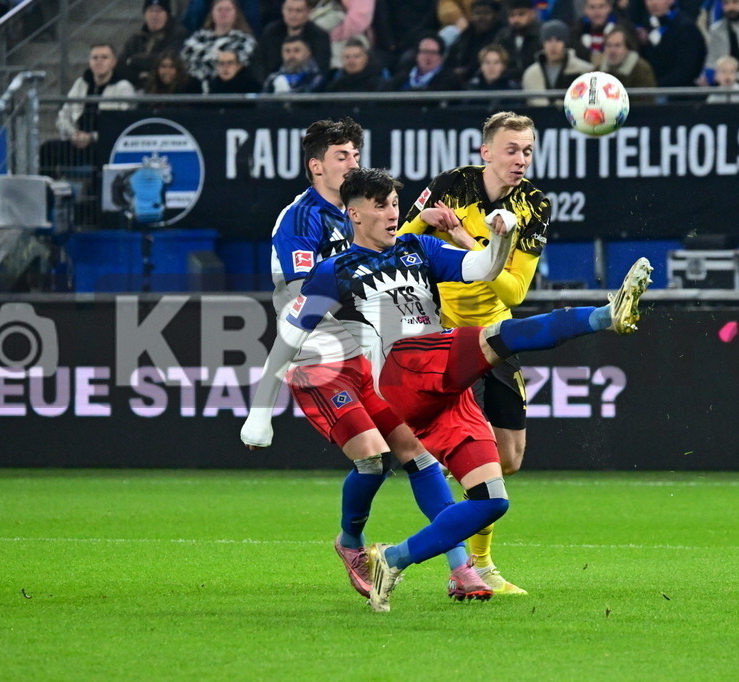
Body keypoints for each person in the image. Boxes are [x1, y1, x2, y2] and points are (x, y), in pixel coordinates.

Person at [277, 166, 653, 612]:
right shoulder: (333, 270)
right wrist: (264, 407)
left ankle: (391, 560)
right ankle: (604, 316)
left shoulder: (420, 247)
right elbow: (292, 329)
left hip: (441, 392)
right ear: (355, 215)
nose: (394, 213)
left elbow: (483, 267)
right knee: (500, 335)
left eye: (396, 204)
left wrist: (501, 236)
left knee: (491, 502)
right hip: (403, 368)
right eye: (382, 206)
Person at [240, 118, 490, 603]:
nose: (352, 162)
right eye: (341, 156)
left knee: (417, 455)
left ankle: (461, 568)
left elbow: (390, 253)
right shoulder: (300, 220)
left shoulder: (364, 214)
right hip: (320, 356)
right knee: (373, 460)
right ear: (316, 166)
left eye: (356, 154)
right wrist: (261, 406)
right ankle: (350, 543)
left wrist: (431, 235)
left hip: (370, 356)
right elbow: (304, 299)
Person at [395, 112, 548, 596]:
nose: (520, 159)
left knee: (510, 457)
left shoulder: (535, 207)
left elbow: (516, 290)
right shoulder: (450, 185)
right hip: (441, 334)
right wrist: (426, 219)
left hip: (496, 335)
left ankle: (452, 483)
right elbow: (395, 244)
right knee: (457, 452)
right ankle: (476, 566)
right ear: (486, 153)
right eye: (511, 149)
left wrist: (469, 243)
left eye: (526, 150)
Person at [39, 44, 136, 176]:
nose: (99, 62)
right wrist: (73, 134)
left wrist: (91, 137)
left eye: (104, 57)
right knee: (48, 148)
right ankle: (49, 192)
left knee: (101, 156)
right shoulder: (81, 83)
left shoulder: (123, 87)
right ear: (89, 62)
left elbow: (120, 125)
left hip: (103, 143)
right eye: (95, 58)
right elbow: (63, 116)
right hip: (77, 140)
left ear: (113, 62)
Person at [181, 0, 259, 86]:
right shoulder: (195, 40)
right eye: (219, 9)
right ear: (212, 13)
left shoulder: (245, 42)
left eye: (228, 10)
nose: (223, 13)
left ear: (236, 14)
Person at [637, 0, 708, 86]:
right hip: (651, 90)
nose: (653, 3)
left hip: (677, 93)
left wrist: (656, 86)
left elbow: (687, 70)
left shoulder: (686, 28)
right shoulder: (645, 26)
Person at [121, 0, 189, 89]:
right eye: (151, 11)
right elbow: (120, 64)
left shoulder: (178, 34)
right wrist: (138, 75)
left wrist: (134, 60)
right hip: (137, 86)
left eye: (159, 11)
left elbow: (166, 59)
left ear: (167, 14)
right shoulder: (136, 38)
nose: (154, 15)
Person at [521, 19, 591, 105]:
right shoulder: (531, 74)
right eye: (548, 40)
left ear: (565, 43)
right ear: (542, 43)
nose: (553, 45)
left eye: (558, 40)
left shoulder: (584, 70)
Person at [261, 0, 331, 75]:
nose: (293, 15)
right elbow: (261, 63)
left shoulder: (320, 36)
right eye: (289, 10)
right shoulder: (271, 32)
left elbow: (322, 67)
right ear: (282, 10)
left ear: (308, 12)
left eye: (298, 11)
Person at [446, 0, 505, 84]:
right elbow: (450, 60)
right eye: (477, 13)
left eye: (486, 13)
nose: (481, 17)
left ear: (497, 15)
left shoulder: (502, 36)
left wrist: (468, 71)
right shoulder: (466, 35)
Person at [381, 33, 463, 91]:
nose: (428, 56)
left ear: (441, 57)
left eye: (433, 53)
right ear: (417, 55)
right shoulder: (404, 76)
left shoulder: (448, 78)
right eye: (424, 52)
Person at [598, 25, 657, 93]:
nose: (612, 51)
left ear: (628, 48)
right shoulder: (599, 71)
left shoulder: (642, 70)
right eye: (609, 45)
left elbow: (646, 100)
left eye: (617, 45)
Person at [495, 0, 542, 82]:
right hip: (509, 83)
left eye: (521, 14)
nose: (516, 19)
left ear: (532, 14)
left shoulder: (541, 34)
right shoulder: (503, 36)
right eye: (512, 15)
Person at [571, 0, 620, 66]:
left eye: (601, 6)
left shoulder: (622, 29)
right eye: (592, 7)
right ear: (585, 10)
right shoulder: (576, 33)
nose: (597, 11)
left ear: (609, 8)